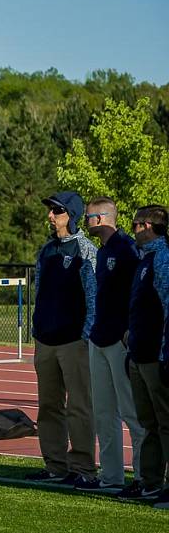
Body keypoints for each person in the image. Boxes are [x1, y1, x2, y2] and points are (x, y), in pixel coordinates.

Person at [27, 191, 98, 486]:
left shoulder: (86, 250)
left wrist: (84, 336)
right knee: (48, 406)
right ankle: (55, 466)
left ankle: (83, 468)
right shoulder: (46, 250)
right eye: (50, 210)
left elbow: (93, 299)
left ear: (71, 214)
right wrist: (37, 329)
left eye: (56, 211)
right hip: (46, 340)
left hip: (73, 342)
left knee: (79, 407)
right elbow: (41, 292)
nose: (50, 216)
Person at [81, 197, 144, 491]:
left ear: (102, 218)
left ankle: (144, 476)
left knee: (132, 412)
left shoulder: (126, 249)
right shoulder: (104, 251)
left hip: (119, 340)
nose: (86, 221)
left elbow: (137, 294)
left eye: (89, 216)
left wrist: (128, 330)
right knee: (104, 413)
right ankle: (111, 477)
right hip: (99, 337)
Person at [119, 205, 169, 507]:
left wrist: (164, 351)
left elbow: (167, 308)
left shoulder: (162, 257)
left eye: (135, 224)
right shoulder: (144, 259)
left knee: (165, 422)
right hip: (139, 353)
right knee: (149, 422)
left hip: (154, 354)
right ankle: (150, 481)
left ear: (148, 226)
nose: (133, 229)